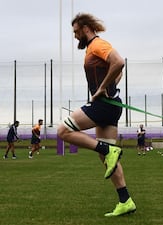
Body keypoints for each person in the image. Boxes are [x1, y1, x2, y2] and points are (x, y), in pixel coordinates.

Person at [57, 13, 136, 217]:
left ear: (85, 29)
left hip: (104, 106)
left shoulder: (97, 45)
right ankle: (125, 200)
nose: (75, 36)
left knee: (63, 130)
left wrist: (102, 89)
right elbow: (117, 71)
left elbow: (118, 62)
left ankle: (109, 151)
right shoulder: (93, 49)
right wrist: (110, 86)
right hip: (110, 105)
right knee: (106, 155)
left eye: (76, 32)